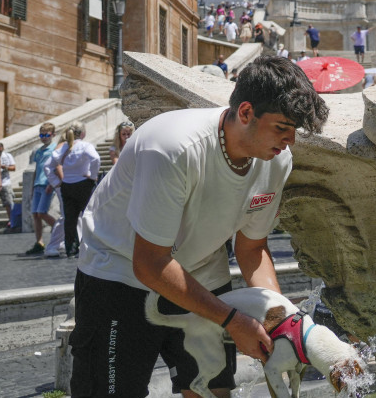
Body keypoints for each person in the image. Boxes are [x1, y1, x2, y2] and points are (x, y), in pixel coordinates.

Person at [71, 56, 329, 397]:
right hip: (119, 274)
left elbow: (252, 249)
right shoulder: (173, 147)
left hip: (202, 271)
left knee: (213, 391)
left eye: (295, 131)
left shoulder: (276, 160)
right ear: (246, 112)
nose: (289, 141)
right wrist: (235, 321)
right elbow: (150, 263)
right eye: (282, 127)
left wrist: (282, 322)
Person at [48, 121, 100, 258]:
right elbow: (95, 159)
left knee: (70, 219)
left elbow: (48, 166)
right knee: (88, 215)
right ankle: (90, 245)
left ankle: (71, 248)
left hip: (67, 185)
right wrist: (92, 176)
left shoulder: (64, 147)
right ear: (83, 133)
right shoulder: (85, 146)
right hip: (83, 183)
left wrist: (56, 182)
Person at [26, 123, 59, 255]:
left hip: (47, 184)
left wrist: (52, 183)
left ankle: (60, 229)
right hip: (38, 184)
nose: (44, 137)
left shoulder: (55, 149)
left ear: (53, 135)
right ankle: (39, 242)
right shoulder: (38, 151)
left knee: (42, 213)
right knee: (35, 214)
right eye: (42, 135)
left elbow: (57, 167)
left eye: (47, 135)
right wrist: (32, 187)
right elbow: (36, 169)